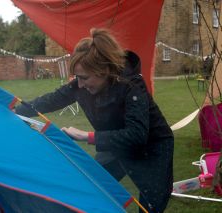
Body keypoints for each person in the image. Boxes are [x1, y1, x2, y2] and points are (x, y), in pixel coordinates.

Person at [15, 28, 174, 213]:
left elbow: (137, 135)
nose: (79, 85)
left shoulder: (132, 86)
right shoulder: (80, 86)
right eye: (77, 77)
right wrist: (15, 108)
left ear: (104, 70)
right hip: (114, 145)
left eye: (84, 78)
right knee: (91, 184)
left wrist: (86, 136)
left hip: (153, 148)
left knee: (150, 207)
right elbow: (52, 99)